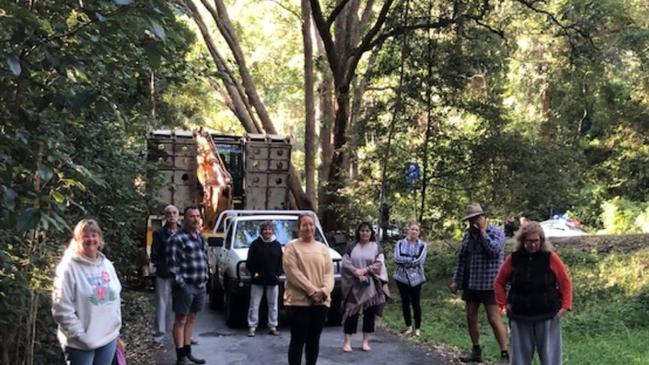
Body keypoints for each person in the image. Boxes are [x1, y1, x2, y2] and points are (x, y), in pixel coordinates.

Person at [494, 221, 573, 365]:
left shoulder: (550, 257)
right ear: (522, 240)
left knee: (551, 360)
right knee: (519, 360)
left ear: (541, 240)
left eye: (536, 241)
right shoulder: (514, 259)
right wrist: (503, 305)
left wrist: (565, 306)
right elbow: (499, 282)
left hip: (547, 315)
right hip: (520, 316)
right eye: (529, 241)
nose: (533, 244)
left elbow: (565, 282)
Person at [52, 219, 122, 365]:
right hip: (81, 344)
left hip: (108, 338)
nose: (90, 239)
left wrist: (115, 330)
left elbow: (115, 298)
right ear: (77, 240)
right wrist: (81, 336)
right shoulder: (68, 267)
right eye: (85, 236)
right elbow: (61, 308)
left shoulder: (107, 265)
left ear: (100, 238)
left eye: (94, 235)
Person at [450, 203, 509, 363]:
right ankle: (476, 351)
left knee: (493, 318)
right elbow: (462, 259)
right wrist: (456, 280)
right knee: (470, 317)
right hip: (471, 283)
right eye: (470, 220)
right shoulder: (467, 236)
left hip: (490, 283)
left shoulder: (496, 232)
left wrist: (483, 232)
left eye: (476, 218)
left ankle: (504, 354)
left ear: (483, 217)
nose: (473, 222)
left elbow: (494, 250)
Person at [283, 213, 334, 365]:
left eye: (311, 224)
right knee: (298, 341)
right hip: (298, 303)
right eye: (304, 224)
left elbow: (329, 273)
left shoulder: (323, 248)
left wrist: (324, 291)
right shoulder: (291, 247)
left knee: (314, 340)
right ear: (299, 227)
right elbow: (293, 273)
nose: (308, 227)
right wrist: (312, 291)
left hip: (321, 303)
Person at [167, 207, 208, 365]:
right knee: (181, 320)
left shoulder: (199, 237)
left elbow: (204, 258)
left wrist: (206, 278)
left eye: (198, 216)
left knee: (191, 319)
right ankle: (180, 356)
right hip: (186, 286)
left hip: (200, 285)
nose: (195, 219)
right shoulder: (177, 239)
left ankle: (188, 351)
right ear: (185, 218)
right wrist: (181, 284)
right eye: (192, 216)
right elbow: (172, 265)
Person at [341, 222, 389, 352]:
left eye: (367, 231)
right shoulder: (351, 246)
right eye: (362, 230)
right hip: (354, 284)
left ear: (371, 233)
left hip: (370, 286)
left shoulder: (376, 247)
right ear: (358, 232)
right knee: (351, 313)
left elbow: (379, 263)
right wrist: (355, 272)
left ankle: (366, 342)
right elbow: (345, 262)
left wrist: (366, 270)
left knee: (369, 314)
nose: (365, 233)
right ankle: (347, 342)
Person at [246, 221, 283, 337]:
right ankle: (252, 327)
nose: (267, 232)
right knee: (254, 304)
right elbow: (249, 262)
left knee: (273, 305)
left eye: (269, 230)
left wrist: (277, 274)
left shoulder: (277, 245)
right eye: (265, 230)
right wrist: (254, 274)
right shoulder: (255, 245)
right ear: (261, 231)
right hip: (258, 280)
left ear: (272, 231)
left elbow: (281, 262)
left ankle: (273, 326)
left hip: (273, 280)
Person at [150, 204, 180, 345]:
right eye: (169, 213)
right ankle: (159, 337)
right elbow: (154, 253)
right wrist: (158, 264)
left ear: (178, 215)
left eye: (174, 213)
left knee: (182, 305)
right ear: (165, 216)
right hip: (164, 273)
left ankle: (183, 335)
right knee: (162, 304)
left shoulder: (182, 232)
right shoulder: (159, 233)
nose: (172, 215)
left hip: (181, 274)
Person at [393, 221, 427, 337]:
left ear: (419, 232)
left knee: (416, 303)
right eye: (412, 229)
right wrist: (411, 259)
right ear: (408, 230)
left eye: (416, 230)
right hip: (401, 278)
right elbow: (397, 258)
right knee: (405, 302)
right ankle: (408, 326)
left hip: (416, 278)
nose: (414, 231)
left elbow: (420, 261)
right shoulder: (400, 243)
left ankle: (417, 329)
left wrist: (406, 260)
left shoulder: (422, 245)